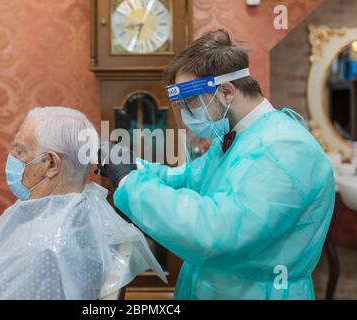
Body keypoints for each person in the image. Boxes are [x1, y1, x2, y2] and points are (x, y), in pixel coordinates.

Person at [98, 29, 335, 300]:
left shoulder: (285, 149)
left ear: (226, 91)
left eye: (190, 104)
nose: (187, 115)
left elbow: (216, 233)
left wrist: (130, 183)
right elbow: (188, 179)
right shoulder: (237, 137)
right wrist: (134, 167)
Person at [0, 106, 166, 300]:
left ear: (51, 164)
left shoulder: (46, 249)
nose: (12, 157)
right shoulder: (77, 218)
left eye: (20, 151)